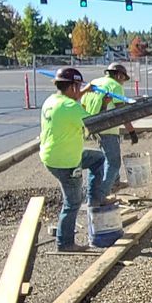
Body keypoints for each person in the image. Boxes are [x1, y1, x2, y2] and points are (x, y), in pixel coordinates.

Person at [41, 66, 105, 252]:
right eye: (78, 87)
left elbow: (73, 105)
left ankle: (94, 198)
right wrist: (103, 103)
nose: (79, 90)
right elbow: (95, 123)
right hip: (66, 162)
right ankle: (64, 242)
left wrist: (85, 91)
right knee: (73, 202)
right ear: (72, 87)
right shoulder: (71, 107)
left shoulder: (52, 100)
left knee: (97, 159)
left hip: (52, 155)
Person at [82, 61, 141, 201]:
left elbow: (83, 104)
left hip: (92, 125)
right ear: (119, 75)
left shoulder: (94, 82)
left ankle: (114, 183)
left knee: (105, 159)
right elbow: (122, 113)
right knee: (113, 162)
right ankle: (101, 196)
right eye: (123, 79)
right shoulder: (115, 86)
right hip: (107, 128)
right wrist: (132, 132)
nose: (123, 83)